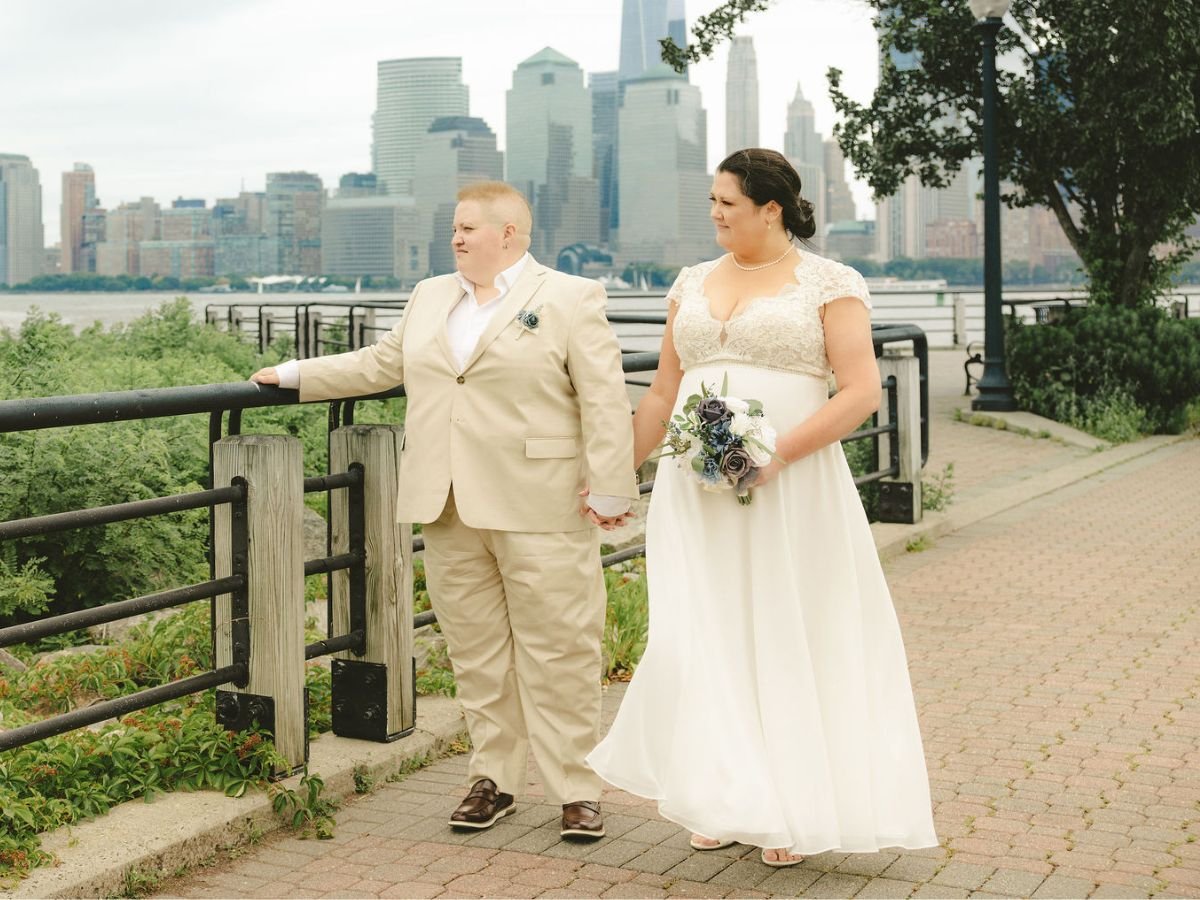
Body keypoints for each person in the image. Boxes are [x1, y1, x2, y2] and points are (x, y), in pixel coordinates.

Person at [252, 181, 637, 839]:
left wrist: (610, 485)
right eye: (453, 230)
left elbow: (603, 398)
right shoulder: (432, 295)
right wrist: (293, 377)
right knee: (477, 652)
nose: (455, 239)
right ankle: (493, 781)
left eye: (467, 229)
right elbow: (381, 363)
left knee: (561, 648)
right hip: (448, 502)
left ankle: (577, 787)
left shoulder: (570, 297)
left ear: (509, 233)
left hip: (538, 500)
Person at [586, 149, 938, 866]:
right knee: (701, 631)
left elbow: (860, 391)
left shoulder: (831, 283)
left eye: (727, 202)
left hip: (790, 487)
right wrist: (614, 475)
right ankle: (723, 791)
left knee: (783, 629)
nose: (714, 213)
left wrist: (775, 455)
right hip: (695, 490)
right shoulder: (690, 282)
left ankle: (789, 803)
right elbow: (660, 393)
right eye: (713, 201)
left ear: (770, 208)